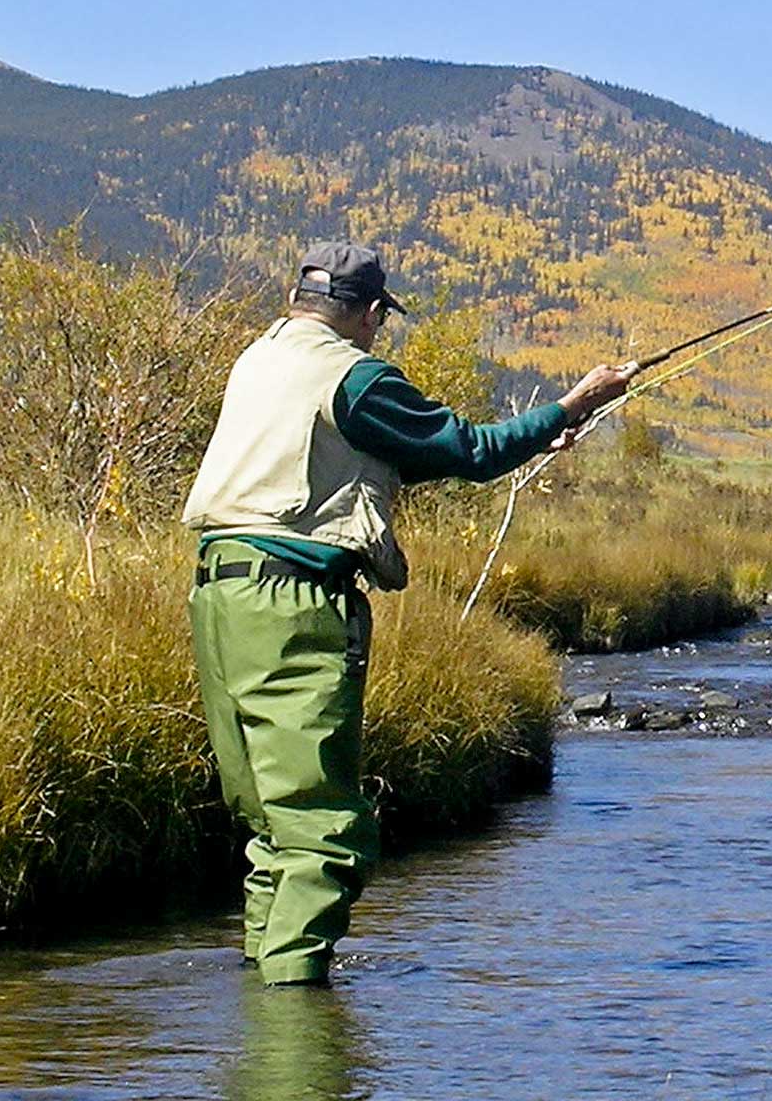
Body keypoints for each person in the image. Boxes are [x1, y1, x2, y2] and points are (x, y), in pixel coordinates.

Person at [182, 240, 630, 987]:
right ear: (362, 312)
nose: (376, 332)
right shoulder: (353, 378)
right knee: (320, 831)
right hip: (291, 606)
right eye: (377, 318)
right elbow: (467, 449)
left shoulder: (257, 360)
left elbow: (408, 454)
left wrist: (538, 435)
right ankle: (297, 1033)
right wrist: (573, 404)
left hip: (219, 598)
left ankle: (266, 996)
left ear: (301, 300)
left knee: (271, 823)